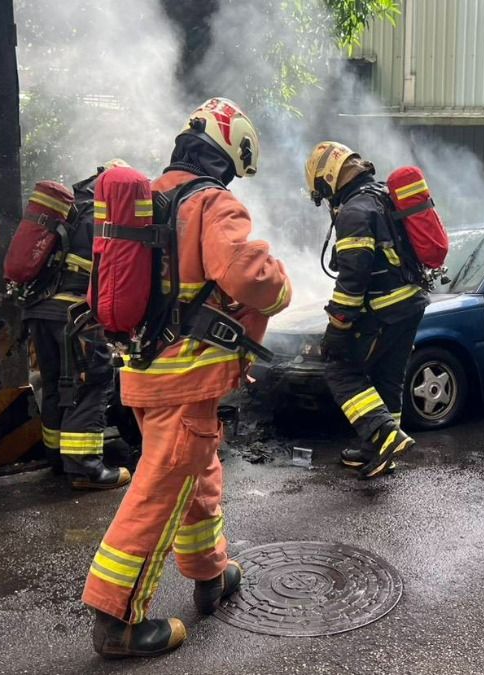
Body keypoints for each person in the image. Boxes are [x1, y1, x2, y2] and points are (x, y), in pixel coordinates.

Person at [83, 98, 292, 658]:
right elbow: (246, 275)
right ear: (228, 154)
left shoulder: (153, 198)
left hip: (147, 371)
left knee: (197, 477)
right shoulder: (211, 202)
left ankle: (210, 575)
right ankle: (116, 620)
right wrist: (282, 286)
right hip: (186, 377)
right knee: (159, 489)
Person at [305, 141, 429, 479]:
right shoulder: (383, 198)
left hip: (383, 310)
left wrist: (338, 327)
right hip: (411, 304)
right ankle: (378, 450)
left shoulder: (355, 211)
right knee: (388, 376)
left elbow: (353, 277)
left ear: (329, 177)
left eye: (322, 187)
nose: (325, 195)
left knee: (340, 369)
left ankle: (384, 434)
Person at [24, 160, 130, 491]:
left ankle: (57, 458)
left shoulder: (69, 208)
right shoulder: (106, 215)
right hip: (76, 315)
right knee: (92, 383)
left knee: (55, 384)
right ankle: (85, 469)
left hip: (40, 311)